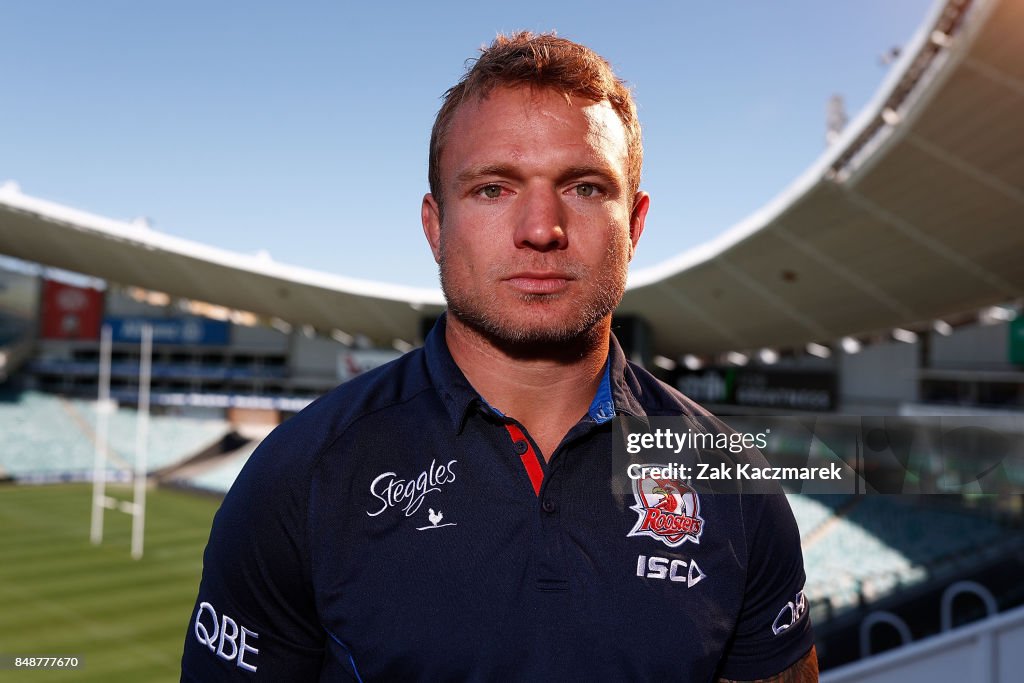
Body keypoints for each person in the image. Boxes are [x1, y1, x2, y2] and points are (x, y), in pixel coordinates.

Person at [182, 32, 817, 681]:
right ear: (435, 224)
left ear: (636, 223)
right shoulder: (300, 475)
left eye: (587, 187)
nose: (541, 228)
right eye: (493, 188)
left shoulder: (736, 483)